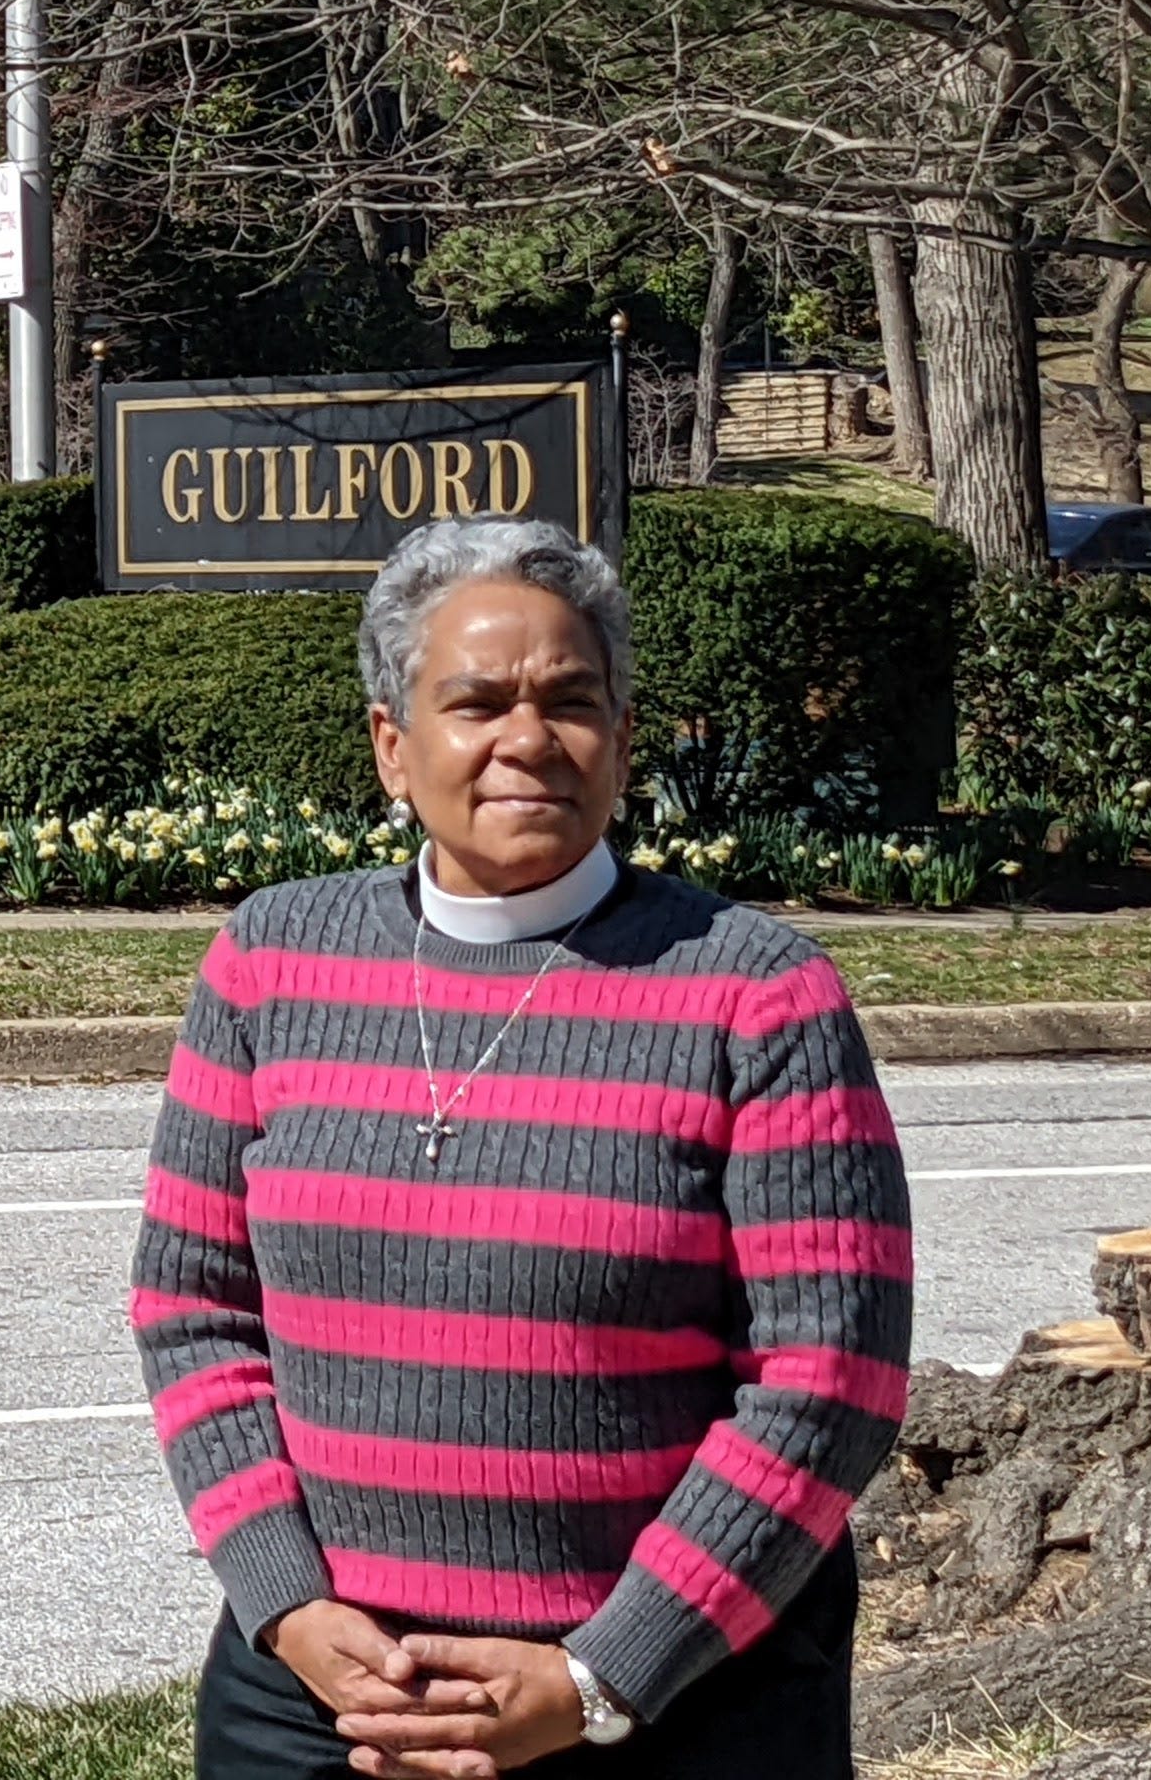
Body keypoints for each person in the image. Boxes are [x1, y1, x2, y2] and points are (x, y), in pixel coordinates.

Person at [131, 516, 913, 1778]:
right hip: (326, 1693)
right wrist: (289, 1605)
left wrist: (601, 1677)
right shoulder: (270, 962)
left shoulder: (758, 993)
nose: (527, 740)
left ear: (620, 735)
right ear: (395, 746)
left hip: (675, 1701)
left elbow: (832, 1379)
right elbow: (194, 1311)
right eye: (476, 701)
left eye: (571, 700)